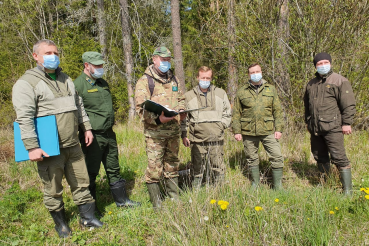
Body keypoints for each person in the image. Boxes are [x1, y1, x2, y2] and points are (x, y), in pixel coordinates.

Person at [12, 40, 103, 238]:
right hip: (49, 149)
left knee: (82, 182)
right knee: (53, 188)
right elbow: (24, 118)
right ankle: (61, 225)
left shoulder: (66, 78)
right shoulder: (27, 83)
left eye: (55, 52)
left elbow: (78, 106)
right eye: (47, 53)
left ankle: (87, 217)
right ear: (36, 56)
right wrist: (32, 147)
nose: (52, 56)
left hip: (73, 144)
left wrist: (86, 127)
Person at [73, 52, 140, 211]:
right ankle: (91, 208)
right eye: (96, 65)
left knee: (113, 167)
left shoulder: (103, 82)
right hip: (93, 136)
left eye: (101, 65)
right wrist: (85, 130)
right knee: (91, 172)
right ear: (86, 65)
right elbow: (77, 112)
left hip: (109, 133)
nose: (100, 68)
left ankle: (122, 200)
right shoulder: (78, 85)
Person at [134, 46, 186, 208]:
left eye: (168, 60)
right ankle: (157, 203)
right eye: (163, 60)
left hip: (173, 132)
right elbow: (140, 109)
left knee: (172, 164)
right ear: (154, 59)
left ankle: (173, 197)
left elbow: (181, 98)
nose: (166, 63)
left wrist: (183, 109)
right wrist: (158, 119)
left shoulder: (174, 80)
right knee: (154, 168)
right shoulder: (145, 81)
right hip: (155, 134)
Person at [304, 52, 356, 195]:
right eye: (319, 63)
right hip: (315, 128)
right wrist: (308, 122)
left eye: (325, 62)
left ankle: (348, 191)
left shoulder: (339, 80)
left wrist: (347, 123)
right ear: (315, 65)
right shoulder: (311, 83)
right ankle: (326, 183)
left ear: (330, 63)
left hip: (333, 127)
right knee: (319, 156)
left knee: (339, 157)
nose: (322, 65)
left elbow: (348, 104)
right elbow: (306, 106)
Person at [232, 63, 284, 190]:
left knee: (277, 156)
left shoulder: (270, 89)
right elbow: (236, 113)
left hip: (268, 130)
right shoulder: (242, 91)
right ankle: (255, 183)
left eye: (257, 71)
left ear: (261, 72)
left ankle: (277, 186)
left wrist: (279, 129)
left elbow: (277, 110)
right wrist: (237, 131)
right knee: (251, 158)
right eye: (252, 72)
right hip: (248, 131)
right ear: (248, 74)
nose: (255, 74)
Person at [181, 66, 231, 188]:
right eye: (202, 77)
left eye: (208, 78)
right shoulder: (188, 96)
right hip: (197, 139)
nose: (205, 80)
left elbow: (227, 113)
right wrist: (183, 135)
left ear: (211, 78)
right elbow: (184, 118)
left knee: (218, 166)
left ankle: (220, 190)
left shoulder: (220, 93)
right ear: (197, 78)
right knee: (197, 166)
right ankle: (196, 190)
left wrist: (221, 126)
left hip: (216, 137)